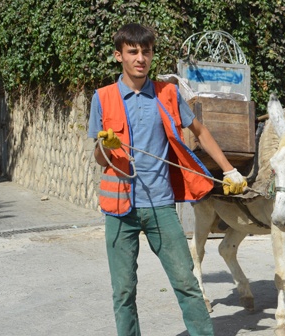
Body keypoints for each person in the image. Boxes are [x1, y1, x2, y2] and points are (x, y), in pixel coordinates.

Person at [87, 23, 247, 336]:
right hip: (120, 210)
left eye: (145, 51)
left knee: (187, 283)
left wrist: (229, 170)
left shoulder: (167, 94)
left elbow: (200, 132)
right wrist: (104, 146)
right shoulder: (102, 98)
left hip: (160, 207)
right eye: (132, 51)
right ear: (119, 55)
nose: (140, 58)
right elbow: (97, 156)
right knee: (123, 291)